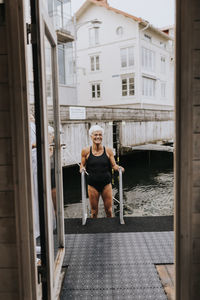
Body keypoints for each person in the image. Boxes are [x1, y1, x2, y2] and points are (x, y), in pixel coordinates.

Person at [80, 125, 124, 218]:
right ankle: (94, 231)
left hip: (106, 184)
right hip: (92, 185)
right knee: (94, 211)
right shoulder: (86, 151)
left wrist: (119, 168)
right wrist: (82, 169)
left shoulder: (108, 150)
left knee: (109, 211)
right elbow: (82, 165)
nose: (98, 137)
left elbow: (113, 165)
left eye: (100, 135)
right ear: (91, 136)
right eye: (95, 135)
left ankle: (110, 229)